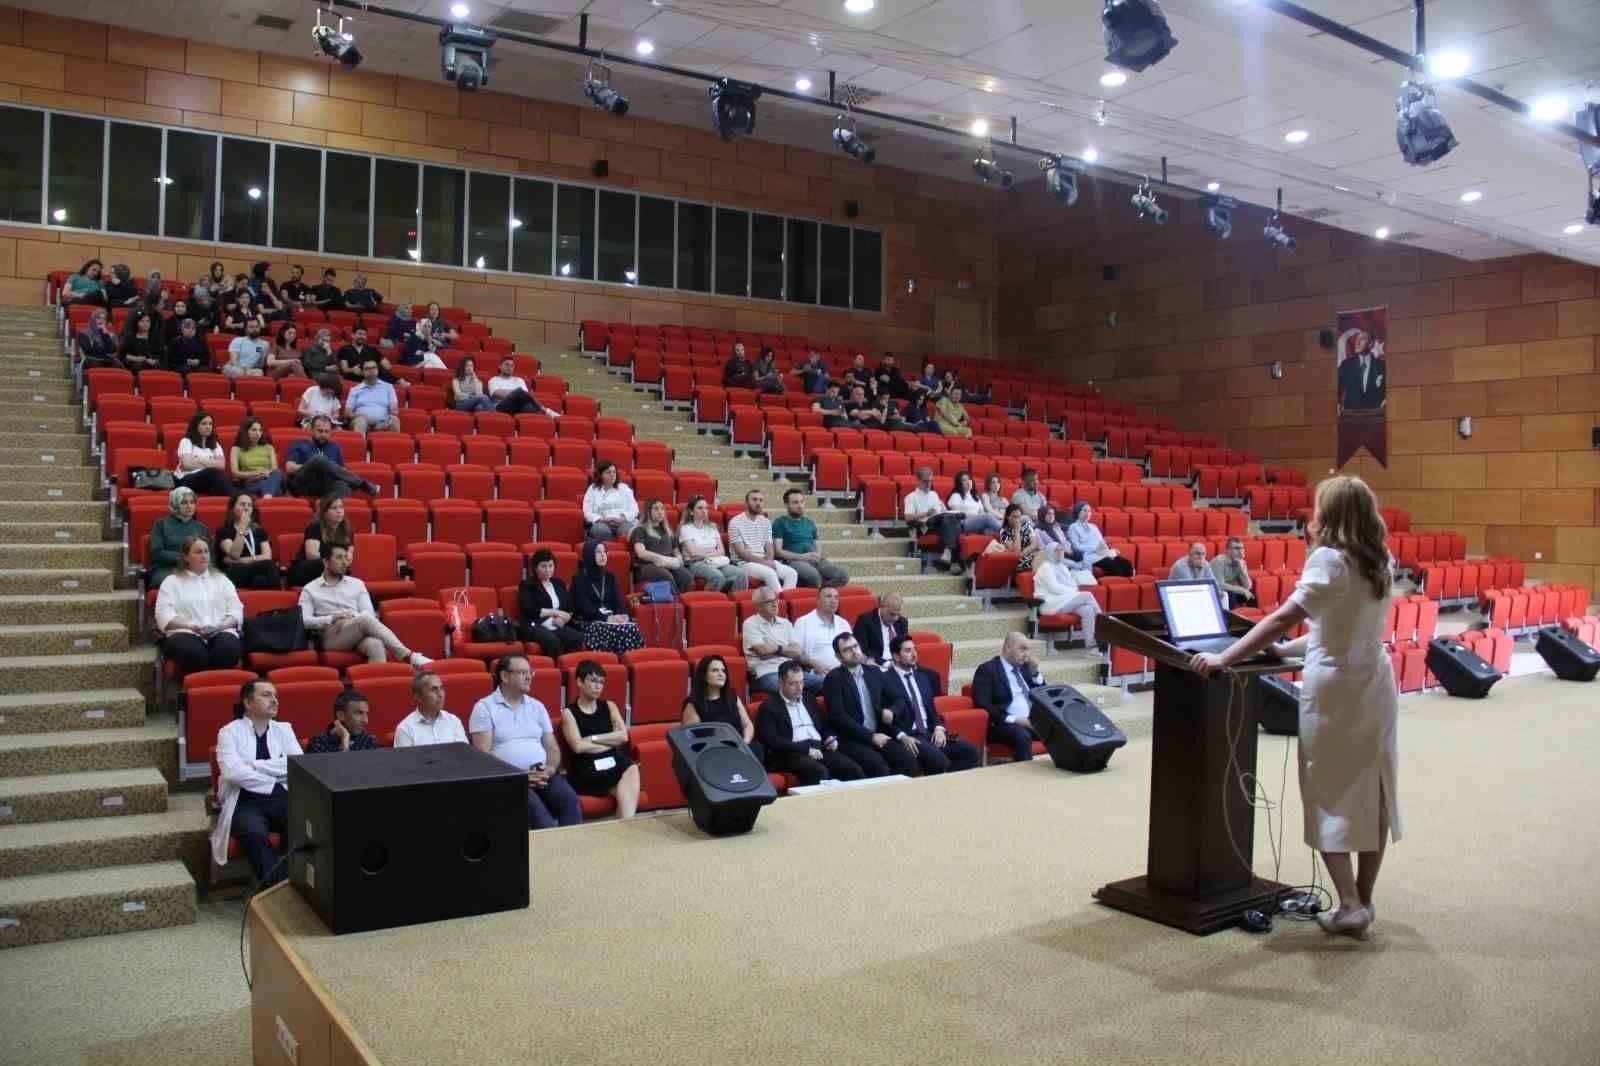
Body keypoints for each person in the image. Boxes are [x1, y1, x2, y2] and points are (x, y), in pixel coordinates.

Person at [1191, 475, 1400, 940]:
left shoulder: (1329, 558)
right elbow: (1338, 628)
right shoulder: (1378, 558)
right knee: (1373, 793)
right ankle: (1363, 899)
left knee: (1326, 789)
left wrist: (1226, 656)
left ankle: (1347, 903)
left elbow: (1287, 616)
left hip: (1337, 692)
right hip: (1375, 684)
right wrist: (1285, 653)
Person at [470, 653, 583, 829]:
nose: (529, 676)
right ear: (505, 676)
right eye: (523, 672)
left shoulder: (537, 706)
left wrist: (551, 768)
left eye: (530, 672)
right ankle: (552, 855)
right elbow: (483, 756)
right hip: (509, 780)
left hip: (543, 773)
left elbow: (552, 747)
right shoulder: (484, 708)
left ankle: (572, 855)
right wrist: (519, 776)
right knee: (541, 817)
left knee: (570, 801)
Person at [210, 680, 301, 886]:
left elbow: (296, 765)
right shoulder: (229, 732)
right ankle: (277, 887)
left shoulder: (284, 729)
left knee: (299, 825)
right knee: (254, 833)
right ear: (248, 703)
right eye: (266, 695)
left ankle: (294, 882)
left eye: (275, 696)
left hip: (281, 796)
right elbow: (233, 772)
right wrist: (272, 779)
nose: (274, 700)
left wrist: (252, 764)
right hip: (244, 800)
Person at [299, 541, 432, 667]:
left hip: (357, 628)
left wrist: (350, 619)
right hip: (331, 636)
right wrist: (333, 618)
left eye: (346, 557)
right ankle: (409, 656)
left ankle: (376, 688)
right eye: (339, 558)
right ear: (326, 562)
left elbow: (369, 614)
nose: (344, 562)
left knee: (376, 644)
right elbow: (304, 621)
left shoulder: (357, 584)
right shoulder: (310, 589)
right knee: (364, 619)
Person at [754, 660, 863, 785]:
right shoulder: (768, 707)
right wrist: (806, 749)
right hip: (790, 753)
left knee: (853, 769)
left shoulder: (809, 698)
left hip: (819, 747)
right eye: (793, 684)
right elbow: (773, 741)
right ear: (780, 683)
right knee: (820, 772)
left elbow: (823, 726)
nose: (799, 687)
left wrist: (829, 738)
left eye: (801, 682)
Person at [822, 632, 911, 777]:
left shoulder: (873, 672)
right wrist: (871, 736)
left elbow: (900, 698)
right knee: (878, 766)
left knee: (906, 759)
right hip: (851, 739)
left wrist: (892, 711)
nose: (854, 651)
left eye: (855, 646)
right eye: (847, 650)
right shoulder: (834, 678)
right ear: (838, 657)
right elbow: (839, 718)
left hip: (878, 734)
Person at [886, 635, 980, 772]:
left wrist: (938, 728)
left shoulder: (924, 678)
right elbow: (884, 720)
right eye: (907, 651)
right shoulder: (885, 680)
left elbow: (933, 712)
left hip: (930, 732)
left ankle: (946, 783)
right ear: (896, 656)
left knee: (971, 752)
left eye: (914, 650)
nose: (914, 654)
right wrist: (902, 737)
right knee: (940, 761)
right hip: (910, 735)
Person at [560, 660, 640, 819]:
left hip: (614, 762)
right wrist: (609, 741)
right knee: (627, 791)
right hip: (587, 768)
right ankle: (625, 826)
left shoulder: (609, 706)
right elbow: (578, 747)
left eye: (601, 682)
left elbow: (623, 737)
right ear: (580, 682)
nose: (598, 686)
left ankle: (624, 825)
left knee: (632, 769)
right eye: (593, 681)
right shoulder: (569, 712)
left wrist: (592, 738)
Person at [154, 535, 244, 674]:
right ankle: (194, 693)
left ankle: (218, 691)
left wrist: (221, 626)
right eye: (198, 552)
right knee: (195, 654)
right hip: (184, 632)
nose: (204, 556)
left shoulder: (222, 580)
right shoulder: (172, 582)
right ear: (185, 557)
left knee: (228, 650)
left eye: (206, 551)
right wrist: (191, 626)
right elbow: (164, 615)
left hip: (220, 630)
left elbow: (236, 610)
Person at [972, 631, 1046, 761]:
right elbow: (983, 704)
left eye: (1028, 650)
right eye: (1022, 649)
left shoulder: (1025, 668)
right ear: (1008, 648)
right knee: (1022, 736)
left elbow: (1045, 694)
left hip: (1033, 722)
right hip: (1003, 724)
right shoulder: (988, 670)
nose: (1027, 655)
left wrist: (1034, 673)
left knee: (1063, 732)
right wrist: (1015, 719)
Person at [681, 654, 761, 762]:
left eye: (723, 671)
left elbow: (747, 725)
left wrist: (745, 743)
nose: (721, 674)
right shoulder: (693, 703)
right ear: (704, 675)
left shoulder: (731, 696)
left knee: (757, 749)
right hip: (713, 753)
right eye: (715, 670)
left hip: (740, 747)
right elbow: (693, 742)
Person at [743, 586, 820, 696]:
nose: (775, 604)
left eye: (776, 600)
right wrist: (785, 649)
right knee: (790, 688)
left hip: (792, 671)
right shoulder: (750, 623)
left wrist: (775, 648)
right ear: (759, 606)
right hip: (766, 673)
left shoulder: (785, 623)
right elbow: (762, 650)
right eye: (769, 601)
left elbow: (797, 651)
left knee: (824, 683)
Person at [572, 541, 644, 654]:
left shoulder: (610, 577)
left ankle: (629, 665)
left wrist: (622, 615)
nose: (603, 555)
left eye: (605, 551)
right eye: (598, 552)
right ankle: (615, 663)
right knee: (615, 630)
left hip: (611, 619)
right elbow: (585, 608)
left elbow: (618, 602)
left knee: (631, 627)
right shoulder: (579, 578)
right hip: (591, 621)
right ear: (589, 555)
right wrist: (606, 618)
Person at [771, 489, 850, 589]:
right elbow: (778, 551)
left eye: (802, 502)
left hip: (814, 559)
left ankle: (823, 594)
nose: (800, 505)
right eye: (795, 502)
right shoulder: (779, 523)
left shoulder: (810, 522)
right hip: (793, 561)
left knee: (843, 576)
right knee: (814, 577)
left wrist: (818, 555)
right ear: (786, 505)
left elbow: (817, 544)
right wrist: (802, 557)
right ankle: (817, 598)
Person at [284, 416, 378, 499]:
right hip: (303, 484)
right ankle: (362, 484)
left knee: (344, 486)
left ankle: (330, 512)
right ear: (311, 430)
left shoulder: (334, 446)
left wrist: (327, 468)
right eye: (320, 431)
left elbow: (342, 470)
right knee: (318, 460)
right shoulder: (300, 443)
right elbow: (289, 468)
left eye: (327, 432)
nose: (323, 435)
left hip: (326, 485)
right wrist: (313, 466)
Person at [1033, 543, 1102, 656]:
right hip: (1050, 603)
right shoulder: (1045, 567)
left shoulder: (1062, 567)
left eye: (1061, 549)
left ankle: (1090, 648)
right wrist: (1073, 593)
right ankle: (1104, 625)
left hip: (1064, 600)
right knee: (1087, 595)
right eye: (1057, 550)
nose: (1061, 552)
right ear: (1050, 552)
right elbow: (1054, 588)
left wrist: (1073, 592)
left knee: (1088, 610)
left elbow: (1074, 585)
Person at [516, 548, 585, 659]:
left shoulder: (558, 583)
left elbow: (569, 607)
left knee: (576, 637)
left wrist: (563, 619)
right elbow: (529, 609)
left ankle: (568, 667)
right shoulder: (527, 585)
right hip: (535, 625)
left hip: (556, 625)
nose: (548, 570)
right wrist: (556, 612)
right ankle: (554, 671)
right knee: (552, 641)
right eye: (543, 566)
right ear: (535, 567)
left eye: (550, 566)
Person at [728, 489, 798, 591]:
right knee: (770, 574)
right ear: (746, 503)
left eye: (761, 500)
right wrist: (764, 563)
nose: (758, 503)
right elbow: (741, 552)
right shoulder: (735, 522)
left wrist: (769, 560)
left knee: (792, 573)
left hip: (763, 560)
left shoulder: (765, 522)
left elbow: (769, 548)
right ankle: (780, 604)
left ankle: (785, 602)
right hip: (743, 563)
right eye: (754, 500)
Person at [677, 495, 748, 592]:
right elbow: (693, 553)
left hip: (716, 561)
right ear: (691, 512)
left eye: (706, 508)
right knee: (717, 577)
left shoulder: (712, 527)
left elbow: (721, 551)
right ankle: (707, 603)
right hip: (696, 564)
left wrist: (704, 552)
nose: (704, 511)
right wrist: (712, 551)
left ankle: (732, 602)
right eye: (700, 508)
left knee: (741, 574)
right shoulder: (685, 528)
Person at [904, 466, 965, 575]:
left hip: (939, 524)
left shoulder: (934, 494)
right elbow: (908, 517)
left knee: (951, 519)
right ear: (918, 481)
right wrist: (926, 513)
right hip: (923, 527)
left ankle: (948, 552)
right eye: (925, 481)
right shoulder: (911, 497)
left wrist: (946, 511)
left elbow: (942, 511)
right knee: (951, 523)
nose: (928, 484)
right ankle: (955, 561)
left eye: (930, 481)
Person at [214, 492, 280, 590]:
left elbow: (267, 556)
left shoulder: (259, 531)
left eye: (250, 505)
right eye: (242, 504)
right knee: (269, 566)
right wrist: (242, 528)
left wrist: (242, 560)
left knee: (260, 580)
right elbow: (235, 554)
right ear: (232, 508)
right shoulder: (224, 531)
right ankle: (279, 597)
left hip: (254, 571)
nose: (246, 508)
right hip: (232, 573)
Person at [147, 487, 210, 588]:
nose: (189, 506)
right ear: (175, 505)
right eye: (184, 503)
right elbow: (157, 554)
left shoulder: (202, 528)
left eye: (192, 502)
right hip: (167, 569)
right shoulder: (161, 524)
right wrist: (186, 558)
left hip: (196, 570)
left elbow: (209, 555)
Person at [629, 499, 692, 595]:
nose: (660, 512)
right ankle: (674, 602)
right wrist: (660, 559)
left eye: (662, 509)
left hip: (667, 563)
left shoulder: (668, 530)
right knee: (665, 575)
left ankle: (680, 602)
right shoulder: (640, 530)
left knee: (686, 576)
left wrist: (678, 560)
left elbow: (676, 551)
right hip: (647, 565)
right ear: (648, 512)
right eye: (656, 509)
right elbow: (641, 553)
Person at [286, 492, 351, 587]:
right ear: (324, 512)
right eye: (334, 508)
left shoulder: (346, 530)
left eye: (341, 507)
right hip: (305, 569)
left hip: (331, 568)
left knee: (345, 570)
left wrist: (338, 562)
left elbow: (348, 557)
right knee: (322, 565)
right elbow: (312, 555)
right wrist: (333, 561)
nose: (339, 511)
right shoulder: (315, 527)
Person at [394, 670, 469, 748]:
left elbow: (464, 756)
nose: (440, 694)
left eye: (441, 688)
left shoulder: (454, 721)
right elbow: (404, 760)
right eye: (434, 689)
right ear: (418, 697)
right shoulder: (405, 729)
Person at [793, 586, 852, 677]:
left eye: (836, 597)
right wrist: (812, 663)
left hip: (845, 672)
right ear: (818, 600)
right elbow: (796, 653)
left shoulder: (843, 623)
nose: (833, 601)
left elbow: (852, 649)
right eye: (828, 596)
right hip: (817, 673)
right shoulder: (803, 622)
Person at [174, 411, 235, 497]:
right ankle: (235, 497)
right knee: (214, 473)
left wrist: (198, 460)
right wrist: (212, 463)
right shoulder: (187, 441)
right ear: (196, 426)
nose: (208, 427)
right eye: (204, 424)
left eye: (210, 424)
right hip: (186, 479)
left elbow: (222, 466)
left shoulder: (215, 445)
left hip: (207, 480)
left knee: (219, 479)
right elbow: (187, 464)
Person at [1067, 501, 1134, 578]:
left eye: (1089, 511)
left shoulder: (1093, 526)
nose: (1087, 513)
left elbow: (1102, 542)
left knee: (1127, 564)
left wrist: (1109, 551)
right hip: (1089, 555)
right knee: (1116, 568)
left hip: (1101, 553)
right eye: (1084, 510)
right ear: (1078, 512)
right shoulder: (1073, 527)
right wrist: (1095, 548)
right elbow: (1076, 547)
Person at [305, 689, 383, 753]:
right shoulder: (319, 743)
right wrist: (345, 740)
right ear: (340, 715)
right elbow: (338, 770)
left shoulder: (368, 741)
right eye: (359, 713)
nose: (366, 720)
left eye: (366, 713)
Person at [227, 418, 286, 499]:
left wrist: (265, 474)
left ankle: (267, 497)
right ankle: (269, 495)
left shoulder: (269, 447)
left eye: (260, 430)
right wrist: (255, 474)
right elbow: (234, 472)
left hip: (268, 477)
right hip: (251, 482)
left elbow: (274, 467)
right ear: (245, 431)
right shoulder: (236, 449)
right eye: (254, 430)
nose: (258, 433)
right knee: (276, 489)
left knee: (277, 472)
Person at [582, 460, 639, 542]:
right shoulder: (593, 489)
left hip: (622, 521)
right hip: (601, 522)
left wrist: (623, 518)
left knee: (628, 530)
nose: (612, 475)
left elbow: (634, 508)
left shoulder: (623, 488)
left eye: (614, 472)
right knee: (601, 531)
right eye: (608, 472)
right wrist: (602, 520)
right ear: (600, 475)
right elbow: (587, 512)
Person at [852, 592, 909, 668]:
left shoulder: (902, 622)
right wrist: (886, 663)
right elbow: (862, 649)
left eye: (898, 614)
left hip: (899, 663)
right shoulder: (866, 620)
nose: (895, 618)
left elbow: (905, 646)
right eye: (892, 614)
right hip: (877, 665)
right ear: (881, 607)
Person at [345, 358, 401, 433]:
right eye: (367, 369)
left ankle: (393, 444)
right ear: (362, 372)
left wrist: (394, 411)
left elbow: (394, 408)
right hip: (362, 422)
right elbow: (347, 413)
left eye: (374, 368)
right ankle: (360, 444)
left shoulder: (388, 387)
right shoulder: (355, 390)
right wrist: (364, 417)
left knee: (394, 420)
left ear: (377, 370)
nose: (371, 371)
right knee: (360, 421)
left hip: (382, 423)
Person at [1336, 331, 1386, 414]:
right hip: (1350, 417)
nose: (1357, 342)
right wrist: (1337, 403)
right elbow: (1336, 388)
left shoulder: (1381, 366)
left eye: (1361, 339)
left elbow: (1388, 390)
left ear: (1370, 344)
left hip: (1375, 417)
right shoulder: (1346, 365)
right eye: (1357, 339)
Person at [486, 356, 553, 416]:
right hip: (502, 407)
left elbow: (526, 396)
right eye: (506, 364)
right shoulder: (493, 380)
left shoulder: (520, 380)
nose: (509, 367)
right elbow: (497, 394)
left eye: (512, 365)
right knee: (519, 391)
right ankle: (546, 410)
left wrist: (516, 394)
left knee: (530, 407)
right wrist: (516, 393)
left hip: (519, 407)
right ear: (500, 366)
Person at [947, 470, 1001, 536]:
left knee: (988, 530)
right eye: (964, 480)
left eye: (969, 479)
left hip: (977, 522)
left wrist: (979, 517)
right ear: (959, 483)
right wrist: (976, 516)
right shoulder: (955, 496)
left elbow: (982, 512)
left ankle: (1006, 541)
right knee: (987, 516)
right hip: (963, 523)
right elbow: (957, 514)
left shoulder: (976, 497)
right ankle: (1006, 530)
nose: (968, 482)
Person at [1211, 536, 1256, 608]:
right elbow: (1220, 584)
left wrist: (1242, 569)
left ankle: (1253, 615)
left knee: (1252, 593)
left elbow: (1248, 586)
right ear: (1228, 550)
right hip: (1217, 592)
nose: (1240, 551)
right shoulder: (1219, 561)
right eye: (1237, 548)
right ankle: (1230, 618)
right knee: (1230, 595)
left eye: (1242, 548)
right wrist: (1242, 590)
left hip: (1230, 591)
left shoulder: (1241, 562)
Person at [995, 503, 1040, 572]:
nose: (1017, 520)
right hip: (1015, 561)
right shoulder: (1004, 532)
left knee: (1043, 555)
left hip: (1027, 555)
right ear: (1007, 517)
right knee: (1038, 560)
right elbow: (1015, 552)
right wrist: (1017, 531)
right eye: (1014, 517)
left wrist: (1021, 554)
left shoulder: (1026, 525)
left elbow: (1035, 544)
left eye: (1018, 517)